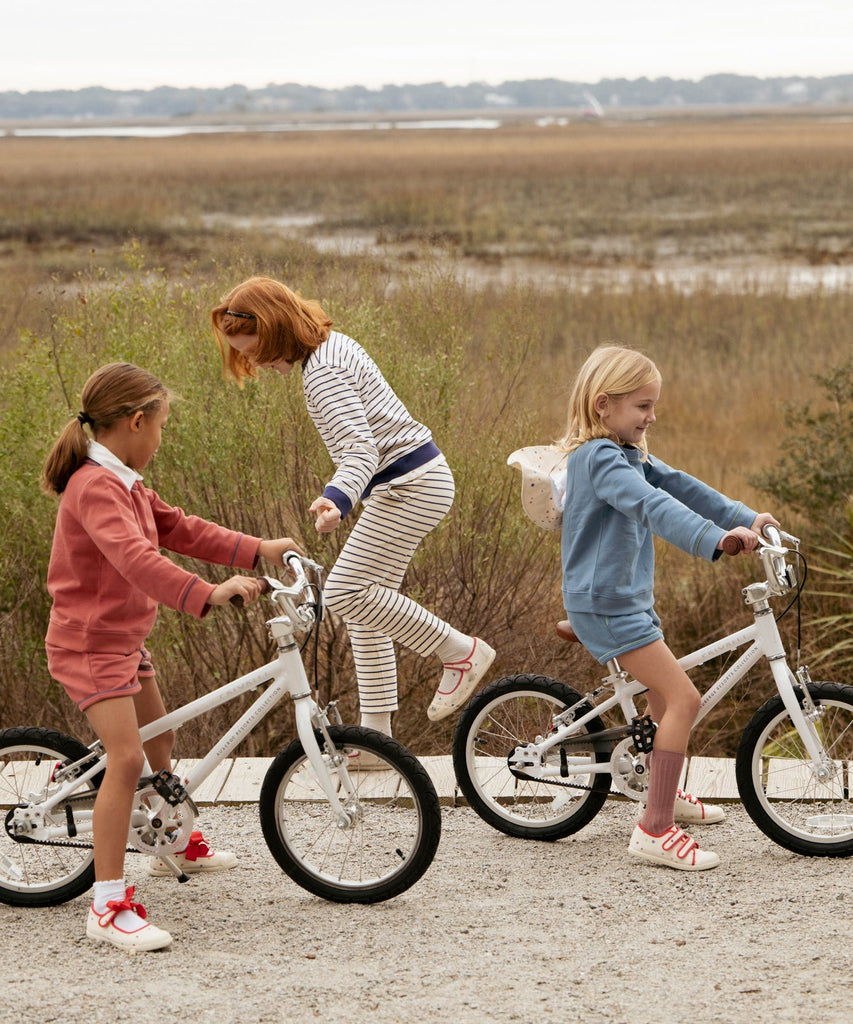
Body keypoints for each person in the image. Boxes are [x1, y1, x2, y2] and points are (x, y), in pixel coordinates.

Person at [41, 362, 302, 951]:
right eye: (160, 427)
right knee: (128, 760)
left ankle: (168, 842)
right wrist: (206, 592)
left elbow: (180, 530)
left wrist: (255, 549)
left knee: (160, 744)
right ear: (135, 422)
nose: (161, 439)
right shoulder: (94, 487)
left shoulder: (126, 482)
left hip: (122, 640)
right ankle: (107, 903)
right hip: (89, 644)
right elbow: (135, 557)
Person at [211, 276, 495, 746]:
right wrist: (344, 495)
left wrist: (336, 499)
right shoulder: (332, 346)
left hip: (410, 485)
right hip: (411, 480)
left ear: (277, 326)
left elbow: (361, 449)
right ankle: (376, 738)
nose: (255, 361)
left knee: (345, 593)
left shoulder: (321, 374)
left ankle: (459, 651)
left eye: (255, 348)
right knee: (368, 605)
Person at [558, 345, 778, 871]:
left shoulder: (627, 454)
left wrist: (750, 516)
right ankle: (654, 829)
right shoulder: (599, 460)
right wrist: (716, 538)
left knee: (663, 700)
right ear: (603, 405)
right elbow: (651, 505)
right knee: (684, 699)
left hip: (626, 600)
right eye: (643, 406)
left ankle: (664, 792)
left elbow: (681, 487)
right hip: (608, 605)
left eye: (653, 406)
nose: (652, 417)